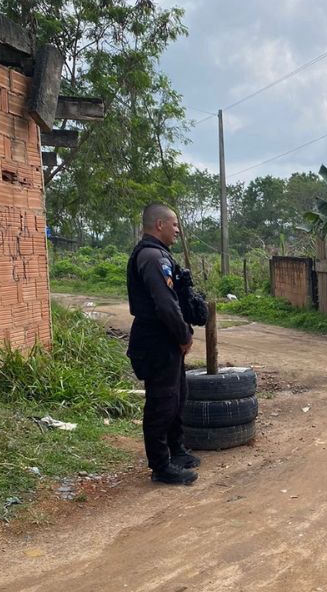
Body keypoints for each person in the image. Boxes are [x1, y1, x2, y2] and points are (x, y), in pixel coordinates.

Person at [126, 203, 199, 484]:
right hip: (156, 339)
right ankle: (161, 465)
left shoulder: (159, 255)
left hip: (165, 337)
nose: (178, 231)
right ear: (159, 225)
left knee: (177, 396)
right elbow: (165, 304)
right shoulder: (152, 257)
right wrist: (183, 335)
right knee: (162, 402)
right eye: (175, 225)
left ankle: (176, 451)